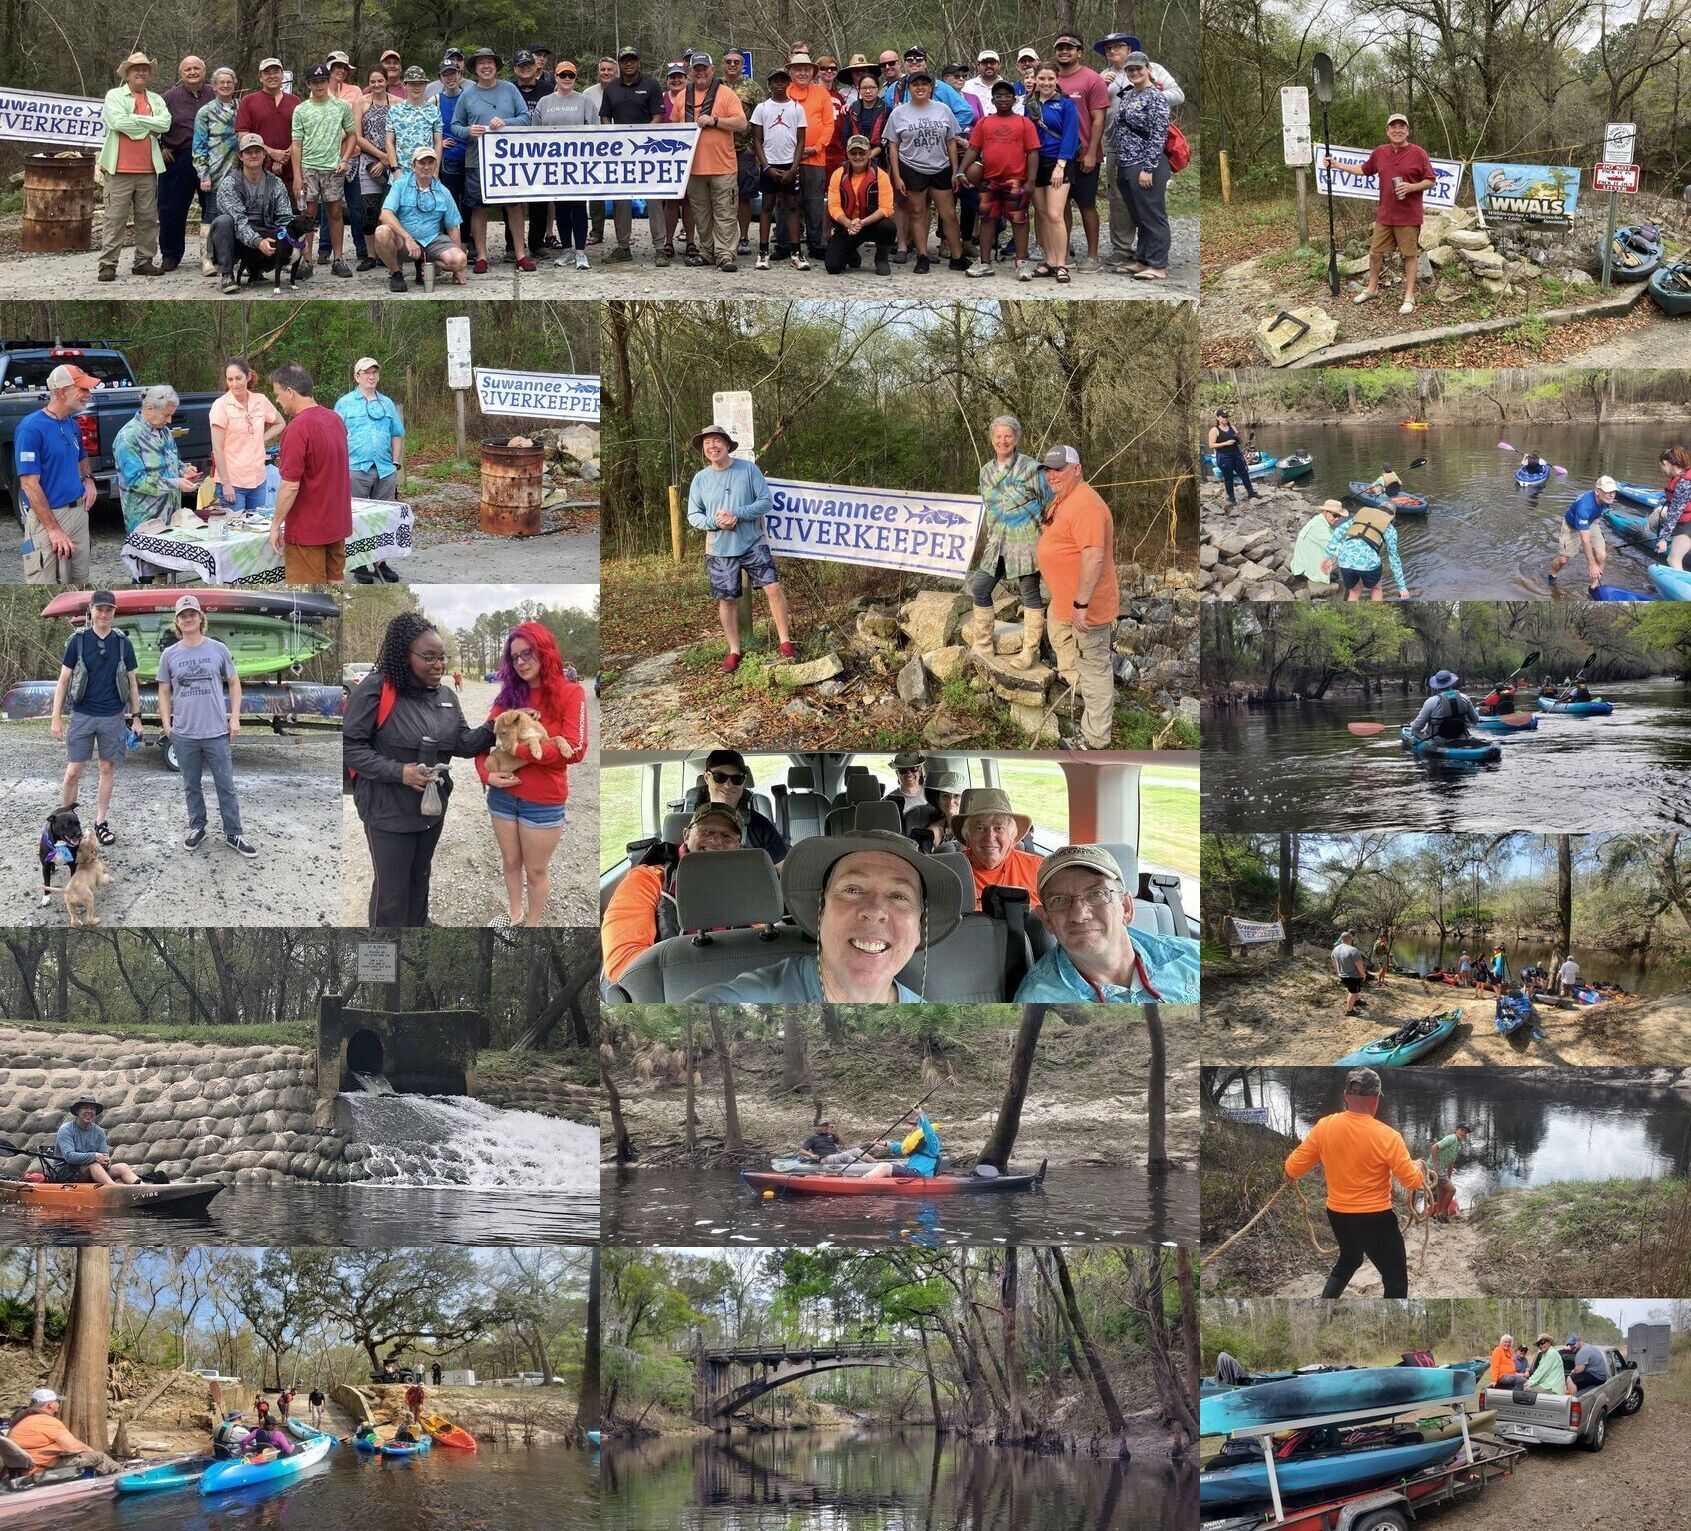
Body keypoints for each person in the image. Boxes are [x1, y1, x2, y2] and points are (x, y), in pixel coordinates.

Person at [683, 829, 963, 1003]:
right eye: (852, 889)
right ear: (821, 910)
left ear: (919, 928)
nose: (875, 911)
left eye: (899, 896)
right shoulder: (748, 1000)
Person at [344, 612, 497, 926]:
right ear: (404, 655)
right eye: (429, 657)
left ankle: (419, 927)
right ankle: (385, 950)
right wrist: (400, 772)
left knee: (420, 875)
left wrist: (497, 726)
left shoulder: (446, 696)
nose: (439, 664)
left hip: (430, 809)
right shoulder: (377, 689)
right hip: (387, 810)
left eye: (442, 657)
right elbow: (350, 747)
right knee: (391, 891)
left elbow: (463, 744)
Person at [1282, 1066, 1432, 1298]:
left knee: (1349, 1259)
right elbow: (1412, 1181)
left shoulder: (1324, 1127)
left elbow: (1292, 1168)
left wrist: (1289, 1174)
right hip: (1376, 1220)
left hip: (1338, 1215)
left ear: (1345, 1096)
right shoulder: (1388, 1136)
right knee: (1395, 1281)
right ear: (1376, 1098)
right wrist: (1420, 1166)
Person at [473, 623, 587, 927]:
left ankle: (532, 925)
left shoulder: (570, 692)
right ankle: (515, 914)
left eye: (528, 653)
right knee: (510, 862)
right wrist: (486, 774)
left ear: (544, 651)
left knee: (536, 871)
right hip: (502, 797)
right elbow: (483, 740)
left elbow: (574, 750)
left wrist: (517, 753)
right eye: (514, 657)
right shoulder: (508, 697)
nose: (521, 661)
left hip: (543, 802)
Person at [1015, 844, 1201, 1002]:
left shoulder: (1194, 956)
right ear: (1047, 920)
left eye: (1096, 894)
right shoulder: (1039, 1000)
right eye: (1060, 900)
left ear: (1126, 908)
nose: (1079, 915)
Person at [686, 423, 796, 672]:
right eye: (707, 443)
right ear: (703, 449)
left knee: (773, 588)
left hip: (753, 542)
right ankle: (734, 650)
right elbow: (693, 515)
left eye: (716, 441)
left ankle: (785, 642)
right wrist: (715, 522)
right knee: (726, 600)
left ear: (726, 444)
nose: (712, 446)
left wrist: (737, 514)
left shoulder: (748, 469)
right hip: (719, 548)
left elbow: (765, 501)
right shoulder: (700, 479)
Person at [601, 802, 744, 984]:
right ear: (686, 835)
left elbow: (766, 940)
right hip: (668, 987)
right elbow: (623, 966)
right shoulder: (648, 880)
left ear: (738, 846)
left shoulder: (747, 881)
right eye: (706, 832)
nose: (716, 841)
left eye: (726, 835)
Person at [157, 594, 255, 857]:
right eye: (183, 615)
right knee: (191, 784)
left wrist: (234, 717)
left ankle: (234, 833)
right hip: (184, 734)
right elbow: (164, 691)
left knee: (226, 785)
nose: (188, 618)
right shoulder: (169, 654)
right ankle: (197, 827)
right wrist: (167, 725)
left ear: (201, 618)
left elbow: (234, 683)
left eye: (192, 614)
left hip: (216, 732)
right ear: (177, 622)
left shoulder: (217, 649)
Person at [1038, 445, 1119, 750]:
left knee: (1095, 666)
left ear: (1077, 468)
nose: (1052, 475)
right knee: (1063, 643)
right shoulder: (1064, 499)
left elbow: (1094, 557)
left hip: (1088, 607)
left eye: (1059, 468)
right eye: (1048, 469)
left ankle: (1095, 739)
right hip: (1064, 603)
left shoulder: (1086, 505)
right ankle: (1083, 693)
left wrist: (1081, 604)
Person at [51, 591, 141, 850]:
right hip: (82, 715)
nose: (104, 614)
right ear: (91, 610)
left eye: (109, 609)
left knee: (106, 769)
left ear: (114, 612)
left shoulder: (123, 643)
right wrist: (56, 717)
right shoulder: (77, 642)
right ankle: (65, 826)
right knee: (72, 772)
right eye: (99, 609)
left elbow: (132, 683)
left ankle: (101, 823)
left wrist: (136, 718)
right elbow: (64, 681)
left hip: (113, 716)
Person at [1322, 113, 1435, 316]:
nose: (1397, 130)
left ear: (1407, 131)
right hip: (1385, 214)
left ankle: (1409, 296)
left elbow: (1430, 180)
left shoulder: (1418, 153)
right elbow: (1364, 170)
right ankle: (1372, 289)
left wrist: (1411, 187)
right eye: (1393, 127)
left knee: (1409, 255)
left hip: (1408, 216)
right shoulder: (1380, 152)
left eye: (1402, 126)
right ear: (1387, 131)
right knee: (1375, 253)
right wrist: (1338, 165)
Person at [966, 415, 1050, 666]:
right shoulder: (986, 472)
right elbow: (987, 505)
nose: (1003, 441)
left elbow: (1051, 500)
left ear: (1016, 439)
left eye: (1008, 436)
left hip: (1025, 543)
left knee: (1029, 594)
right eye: (998, 436)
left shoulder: (1032, 468)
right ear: (992, 439)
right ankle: (983, 646)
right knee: (980, 588)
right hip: (997, 543)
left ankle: (1029, 652)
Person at [1096, 33, 1183, 267]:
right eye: (1108, 48)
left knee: (1149, 205)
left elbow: (1177, 97)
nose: (1113, 50)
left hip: (1146, 151)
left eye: (1118, 46)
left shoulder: (1153, 74)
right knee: (1123, 202)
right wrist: (1101, 86)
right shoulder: (1104, 77)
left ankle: (1155, 261)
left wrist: (1147, 96)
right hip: (1117, 147)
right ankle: (1127, 251)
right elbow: (1093, 108)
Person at [14, 362, 100, 583]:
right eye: (82, 389)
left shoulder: (73, 425)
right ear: (62, 392)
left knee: (80, 581)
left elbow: (82, 457)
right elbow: (29, 485)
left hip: (78, 514)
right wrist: (54, 530)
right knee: (44, 582)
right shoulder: (31, 428)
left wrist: (89, 480)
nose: (88, 394)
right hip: (47, 519)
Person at [269, 363, 353, 582]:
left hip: (308, 531)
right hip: (336, 523)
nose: (277, 400)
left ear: (290, 392)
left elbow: (290, 485)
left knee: (307, 592)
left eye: (278, 395)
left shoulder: (297, 428)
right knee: (336, 583)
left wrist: (275, 525)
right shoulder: (335, 419)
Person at [453, 47, 534, 273]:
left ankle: (520, 254)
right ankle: (481, 256)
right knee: (478, 208)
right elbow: (454, 126)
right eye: (481, 63)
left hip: (508, 161)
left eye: (490, 62)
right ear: (475, 69)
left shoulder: (510, 89)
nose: (486, 66)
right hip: (476, 161)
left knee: (515, 206)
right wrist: (469, 130)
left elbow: (526, 119)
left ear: (496, 66)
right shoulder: (466, 95)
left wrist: (506, 123)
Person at [98, 52, 171, 282]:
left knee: (148, 219)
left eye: (145, 69)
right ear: (127, 73)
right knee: (115, 219)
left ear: (149, 74)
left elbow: (165, 123)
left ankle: (144, 261)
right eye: (136, 69)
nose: (140, 72)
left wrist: (135, 122)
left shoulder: (156, 99)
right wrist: (147, 127)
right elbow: (116, 122)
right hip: (118, 169)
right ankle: (108, 265)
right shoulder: (114, 95)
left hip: (148, 170)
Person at [886, 70, 965, 274]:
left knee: (948, 214)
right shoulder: (899, 113)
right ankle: (922, 256)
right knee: (917, 212)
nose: (920, 87)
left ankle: (958, 257)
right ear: (909, 89)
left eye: (924, 84)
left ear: (931, 87)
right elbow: (892, 146)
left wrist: (955, 170)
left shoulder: (943, 109)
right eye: (915, 84)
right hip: (912, 167)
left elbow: (951, 141)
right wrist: (897, 176)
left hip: (941, 167)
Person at [674, 52, 746, 274]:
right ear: (691, 71)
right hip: (694, 169)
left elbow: (741, 123)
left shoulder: (726, 94)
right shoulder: (681, 97)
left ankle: (725, 255)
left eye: (704, 68)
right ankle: (707, 251)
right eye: (697, 68)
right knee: (701, 214)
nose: (701, 72)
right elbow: (674, 131)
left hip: (723, 167)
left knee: (725, 212)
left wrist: (715, 121)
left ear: (712, 70)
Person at [959, 81, 1039, 276]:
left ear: (1014, 99)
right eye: (998, 96)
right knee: (987, 219)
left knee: (1019, 220)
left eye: (1007, 96)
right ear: (992, 100)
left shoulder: (1024, 123)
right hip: (990, 179)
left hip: (1016, 179)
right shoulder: (985, 123)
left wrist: (1031, 180)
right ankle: (985, 262)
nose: (1003, 99)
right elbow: (973, 149)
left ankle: (1021, 262)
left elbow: (1033, 152)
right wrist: (961, 170)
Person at [599, 48, 667, 265]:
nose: (629, 64)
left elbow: (658, 116)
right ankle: (623, 247)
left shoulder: (651, 84)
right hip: (621, 154)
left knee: (654, 200)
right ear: (620, 63)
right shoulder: (611, 88)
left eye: (632, 60)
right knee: (622, 200)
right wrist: (614, 139)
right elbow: (605, 117)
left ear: (638, 62)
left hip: (648, 151)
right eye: (625, 60)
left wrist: (642, 137)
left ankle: (660, 248)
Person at [1109, 51, 1172, 280]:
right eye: (1130, 69)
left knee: (1153, 214)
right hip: (1126, 164)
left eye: (1138, 68)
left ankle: (1158, 264)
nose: (1135, 72)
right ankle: (1143, 259)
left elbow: (1158, 135)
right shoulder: (1128, 96)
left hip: (1146, 165)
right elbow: (1121, 130)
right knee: (1139, 215)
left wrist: (1148, 168)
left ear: (1148, 69)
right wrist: (1118, 164)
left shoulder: (1155, 97)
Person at [209, 133, 295, 293]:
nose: (254, 155)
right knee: (222, 221)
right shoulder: (229, 184)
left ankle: (257, 269)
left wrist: (290, 242)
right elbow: (239, 222)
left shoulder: (276, 183)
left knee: (284, 233)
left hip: (267, 238)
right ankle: (227, 275)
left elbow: (285, 219)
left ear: (264, 154)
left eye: (257, 151)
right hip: (238, 241)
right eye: (248, 152)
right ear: (240, 156)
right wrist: (258, 242)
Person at [375, 146, 469, 291]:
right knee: (381, 232)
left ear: (435, 165)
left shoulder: (444, 191)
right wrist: (408, 238)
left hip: (432, 240)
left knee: (460, 260)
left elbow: (452, 226)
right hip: (404, 242)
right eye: (422, 163)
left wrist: (458, 270)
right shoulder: (400, 185)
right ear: (413, 166)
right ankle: (396, 273)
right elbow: (385, 214)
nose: (427, 167)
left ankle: (426, 264)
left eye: (431, 163)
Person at [113, 384, 202, 537]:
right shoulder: (128, 437)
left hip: (173, 518)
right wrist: (176, 483)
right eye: (166, 415)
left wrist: (183, 470)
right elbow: (137, 480)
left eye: (171, 415)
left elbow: (173, 461)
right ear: (149, 409)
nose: (169, 420)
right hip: (146, 522)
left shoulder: (165, 432)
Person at [531, 61, 595, 270]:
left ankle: (581, 252)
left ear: (575, 78)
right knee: (560, 207)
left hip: (579, 164)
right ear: (555, 77)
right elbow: (535, 135)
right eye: (562, 75)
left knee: (578, 207)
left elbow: (595, 132)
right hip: (553, 165)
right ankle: (567, 249)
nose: (567, 79)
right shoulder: (544, 102)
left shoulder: (585, 101)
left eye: (571, 75)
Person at [156, 55, 213, 275]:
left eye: (196, 68)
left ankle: (212, 254)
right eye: (187, 69)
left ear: (204, 71)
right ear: (181, 74)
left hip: (210, 160)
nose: (192, 72)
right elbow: (152, 125)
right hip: (178, 158)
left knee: (213, 209)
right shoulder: (167, 98)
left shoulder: (214, 94)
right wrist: (160, 146)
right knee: (171, 209)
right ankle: (171, 255)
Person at [1026, 63, 1080, 282]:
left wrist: (1061, 165)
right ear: (1035, 80)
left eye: (1050, 79)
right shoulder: (1028, 104)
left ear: (1057, 80)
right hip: (1034, 162)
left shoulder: (1066, 105)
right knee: (1043, 214)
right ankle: (1049, 261)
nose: (1046, 83)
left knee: (1056, 214)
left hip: (1057, 162)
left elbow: (1070, 136)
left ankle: (1061, 263)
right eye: (1042, 79)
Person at [209, 358, 283, 514]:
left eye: (238, 378)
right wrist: (226, 484)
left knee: (257, 527)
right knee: (237, 532)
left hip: (258, 481)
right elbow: (217, 448)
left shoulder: (260, 400)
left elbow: (280, 423)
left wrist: (260, 438)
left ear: (248, 377)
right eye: (230, 379)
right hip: (233, 483)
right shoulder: (220, 405)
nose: (234, 384)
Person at [752, 68, 807, 270]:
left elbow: (801, 140)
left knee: (792, 207)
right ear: (770, 83)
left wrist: (794, 167)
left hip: (789, 164)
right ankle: (763, 251)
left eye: (783, 80)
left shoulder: (796, 108)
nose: (779, 84)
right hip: (769, 164)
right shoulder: (762, 108)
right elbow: (757, 140)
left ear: (788, 83)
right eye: (775, 81)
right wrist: (766, 167)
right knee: (767, 206)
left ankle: (796, 252)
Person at [784, 51, 836, 263]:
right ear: (791, 72)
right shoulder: (783, 92)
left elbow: (828, 124)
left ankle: (816, 244)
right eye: (798, 69)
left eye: (806, 69)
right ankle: (785, 244)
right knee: (786, 202)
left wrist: (816, 147)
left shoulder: (822, 94)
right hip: (787, 158)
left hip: (815, 158)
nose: (802, 73)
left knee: (814, 202)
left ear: (813, 72)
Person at [951, 786, 1042, 904]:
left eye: (999, 828)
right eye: (980, 828)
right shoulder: (950, 873)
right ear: (967, 836)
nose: (989, 837)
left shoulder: (1039, 869)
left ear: (1012, 836)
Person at [335, 356, 405, 507]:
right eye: (366, 372)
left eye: (374, 372)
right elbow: (335, 438)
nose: (371, 376)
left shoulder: (386, 403)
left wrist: (395, 463)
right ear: (357, 376)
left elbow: (397, 433)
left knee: (383, 517)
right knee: (354, 517)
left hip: (385, 471)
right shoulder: (344, 404)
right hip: (354, 470)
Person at [192, 69, 243, 274]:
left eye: (229, 82)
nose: (225, 86)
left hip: (239, 173)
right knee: (211, 216)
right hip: (214, 173)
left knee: (238, 216)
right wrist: (203, 174)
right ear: (214, 86)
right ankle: (207, 260)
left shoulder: (242, 107)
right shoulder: (205, 112)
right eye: (221, 82)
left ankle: (237, 259)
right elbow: (199, 146)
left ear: (234, 84)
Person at [6, 1389, 122, 1476]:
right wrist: (91, 1451)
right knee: (99, 1456)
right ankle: (121, 1475)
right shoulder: (46, 1421)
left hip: (22, 1467)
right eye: (57, 1401)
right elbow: (73, 1447)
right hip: (40, 1466)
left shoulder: (21, 1420)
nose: (59, 1405)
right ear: (50, 1404)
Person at [825, 134, 895, 274]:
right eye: (853, 153)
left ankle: (881, 259)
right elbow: (833, 207)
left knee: (888, 226)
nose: (858, 157)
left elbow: (886, 208)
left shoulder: (881, 175)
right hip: (847, 227)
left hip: (871, 224)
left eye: (862, 153)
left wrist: (862, 223)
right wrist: (848, 223)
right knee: (833, 267)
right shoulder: (838, 175)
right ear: (847, 154)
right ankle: (851, 253)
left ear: (869, 153)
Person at [235, 57, 298, 197]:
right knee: (260, 213)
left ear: (282, 75)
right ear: (260, 77)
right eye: (267, 73)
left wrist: (284, 156)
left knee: (292, 214)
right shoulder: (248, 101)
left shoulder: (294, 101)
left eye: (276, 72)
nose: (272, 76)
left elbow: (302, 133)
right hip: (258, 171)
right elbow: (242, 134)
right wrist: (271, 152)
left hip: (291, 171)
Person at [353, 69, 396, 265]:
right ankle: (371, 255)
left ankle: (388, 253)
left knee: (388, 209)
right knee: (369, 211)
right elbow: (357, 136)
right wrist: (379, 156)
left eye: (380, 80)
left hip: (393, 162)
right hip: (367, 162)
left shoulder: (397, 103)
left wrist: (386, 160)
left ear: (387, 81)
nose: (377, 84)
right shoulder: (361, 103)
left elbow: (400, 134)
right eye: (373, 81)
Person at [1325, 503, 1409, 601]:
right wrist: (1402, 587)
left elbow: (1338, 531)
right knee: (1376, 588)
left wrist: (1328, 556)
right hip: (1369, 563)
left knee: (1354, 590)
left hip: (1345, 560)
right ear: (1392, 517)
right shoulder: (1390, 529)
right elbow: (1394, 559)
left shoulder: (1358, 518)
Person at [1549, 474, 1615, 594]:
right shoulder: (1584, 508)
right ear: (1597, 491)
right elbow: (1585, 540)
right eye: (1608, 492)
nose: (1612, 495)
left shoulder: (1607, 499)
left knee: (1601, 555)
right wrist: (1592, 564)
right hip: (1572, 526)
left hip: (1591, 521)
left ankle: (1593, 587)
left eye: (1614, 492)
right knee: (1563, 560)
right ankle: (1552, 574)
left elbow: (1597, 516)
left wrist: (1600, 542)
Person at [54, 1097, 140, 1184]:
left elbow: (104, 1155)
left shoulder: (99, 1131)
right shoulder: (66, 1129)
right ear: (78, 1112)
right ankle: (114, 1188)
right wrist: (95, 1156)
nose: (89, 1111)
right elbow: (69, 1157)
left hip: (93, 1171)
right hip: (66, 1172)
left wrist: (106, 1162)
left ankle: (144, 1190)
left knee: (123, 1167)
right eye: (85, 1108)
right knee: (93, 1165)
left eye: (92, 1109)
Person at [1406, 670, 1484, 748]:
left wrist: (1412, 724)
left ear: (1436, 685)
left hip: (1438, 742)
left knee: (1414, 731)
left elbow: (1417, 726)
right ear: (1452, 683)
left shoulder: (1430, 702)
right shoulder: (1464, 698)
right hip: (1461, 738)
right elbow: (1475, 721)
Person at [860, 1107, 943, 1179]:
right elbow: (902, 1148)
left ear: (922, 1127)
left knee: (884, 1167)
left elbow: (929, 1133)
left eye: (915, 1125)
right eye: (913, 1125)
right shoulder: (917, 1142)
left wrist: (921, 1114)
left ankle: (860, 1183)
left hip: (922, 1174)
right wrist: (884, 1143)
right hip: (912, 1171)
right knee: (885, 1167)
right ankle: (862, 1180)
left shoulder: (933, 1143)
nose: (913, 1127)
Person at [434, 57, 468, 209]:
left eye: (453, 73)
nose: (450, 78)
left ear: (459, 74)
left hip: (471, 157)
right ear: (440, 78)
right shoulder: (435, 101)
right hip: (449, 158)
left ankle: (467, 234)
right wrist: (437, 143)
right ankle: (452, 233)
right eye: (445, 75)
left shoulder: (469, 97)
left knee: (470, 204)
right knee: (451, 202)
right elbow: (423, 127)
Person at [1206, 410, 1258, 507]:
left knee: (1244, 474)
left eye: (1226, 416)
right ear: (1217, 417)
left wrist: (1239, 438)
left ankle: (1251, 493)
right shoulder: (1214, 430)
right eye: (1223, 417)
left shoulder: (1232, 427)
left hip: (1236, 454)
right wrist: (1226, 443)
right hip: (1224, 456)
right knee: (1228, 477)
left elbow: (1239, 442)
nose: (1225, 418)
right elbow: (1211, 445)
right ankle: (1231, 498)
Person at [1651, 445, 1691, 568]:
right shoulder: (1682, 477)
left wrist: (1663, 539)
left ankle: (1683, 587)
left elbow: (1675, 513)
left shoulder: (1683, 483)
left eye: (1662, 466)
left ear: (1665, 463)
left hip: (1687, 525)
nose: (1662, 470)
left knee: (1673, 560)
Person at [1290, 500, 1345, 583]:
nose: (1337, 519)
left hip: (1303, 564)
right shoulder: (1318, 527)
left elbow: (1335, 538)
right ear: (1326, 512)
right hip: (1303, 571)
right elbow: (1335, 548)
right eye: (1335, 515)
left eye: (1339, 516)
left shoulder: (1319, 521)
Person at [1427, 1121, 1470, 1222]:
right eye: (1462, 1130)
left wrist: (1449, 1178)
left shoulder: (1458, 1145)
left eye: (1466, 1132)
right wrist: (1436, 1167)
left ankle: (1438, 1215)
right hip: (1433, 1168)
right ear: (1456, 1130)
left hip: (1441, 1169)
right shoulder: (1451, 1138)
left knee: (1443, 1191)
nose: (1463, 1133)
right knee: (1452, 1190)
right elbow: (1434, 1148)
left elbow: (1451, 1163)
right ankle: (1444, 1213)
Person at [1332, 929, 1369, 1015]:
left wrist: (1338, 972)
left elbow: (1334, 961)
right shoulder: (1353, 950)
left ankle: (1356, 1001)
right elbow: (1359, 964)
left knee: (1355, 990)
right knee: (1352, 992)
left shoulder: (1335, 949)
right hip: (1352, 975)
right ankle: (1349, 1011)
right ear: (1350, 939)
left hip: (1342, 974)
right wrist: (1363, 974)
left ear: (1341, 939)